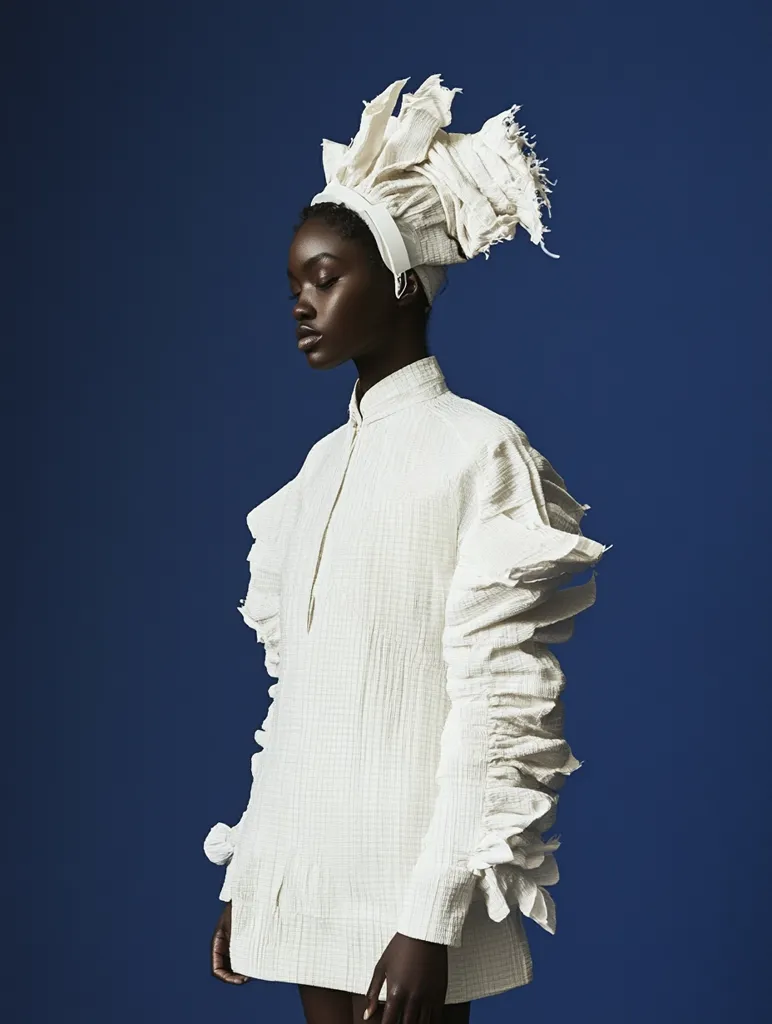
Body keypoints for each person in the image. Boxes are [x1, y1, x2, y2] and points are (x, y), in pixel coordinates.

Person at [203, 75, 611, 1024]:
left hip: (411, 887)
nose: (302, 303)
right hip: (311, 878)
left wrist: (431, 916)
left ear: (397, 282)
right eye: (295, 282)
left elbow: (501, 703)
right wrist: (253, 870)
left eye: (325, 277)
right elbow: (297, 697)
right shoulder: (315, 471)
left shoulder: (480, 451)